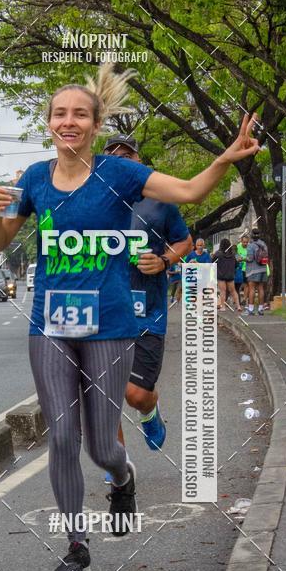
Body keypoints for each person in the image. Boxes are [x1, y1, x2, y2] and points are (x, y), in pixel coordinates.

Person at [0, 63, 259, 571]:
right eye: (60, 114)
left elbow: (190, 192)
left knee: (101, 445)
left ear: (95, 124)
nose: (69, 122)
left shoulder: (121, 175)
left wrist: (224, 158)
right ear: (49, 122)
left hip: (111, 324)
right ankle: (75, 544)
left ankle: (123, 475)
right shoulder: (35, 179)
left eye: (80, 115)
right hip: (50, 323)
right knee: (62, 436)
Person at [103, 134, 192, 453]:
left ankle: (150, 411)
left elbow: (185, 241)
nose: (121, 161)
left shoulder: (159, 201)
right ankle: (118, 471)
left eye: (127, 155)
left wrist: (165, 260)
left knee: (135, 394)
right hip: (102, 314)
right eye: (113, 156)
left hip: (147, 313)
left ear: (139, 161)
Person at [244, 228, 269, 316]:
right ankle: (260, 309)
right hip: (263, 269)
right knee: (261, 288)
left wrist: (242, 258)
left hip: (253, 270)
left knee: (252, 289)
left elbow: (250, 258)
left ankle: (250, 310)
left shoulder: (251, 245)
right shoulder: (263, 244)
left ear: (251, 235)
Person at [212, 238, 241, 310]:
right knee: (233, 291)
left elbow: (212, 263)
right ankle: (238, 306)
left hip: (221, 275)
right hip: (230, 275)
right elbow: (236, 264)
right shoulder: (232, 255)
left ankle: (223, 307)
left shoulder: (218, 254)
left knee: (223, 291)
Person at [235, 233, 249, 304]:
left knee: (246, 284)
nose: (245, 243)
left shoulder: (249, 247)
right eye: (244, 242)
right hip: (239, 268)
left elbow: (249, 258)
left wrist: (243, 259)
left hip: (247, 268)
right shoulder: (238, 246)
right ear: (241, 241)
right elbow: (236, 256)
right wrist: (239, 258)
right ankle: (237, 299)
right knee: (239, 284)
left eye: (246, 242)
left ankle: (245, 299)